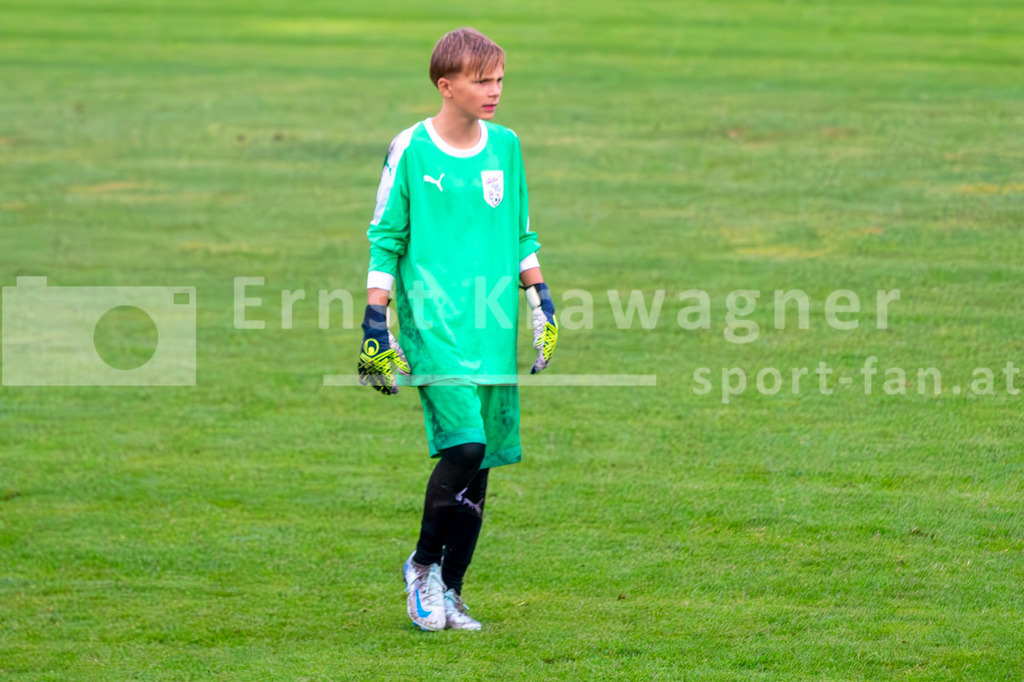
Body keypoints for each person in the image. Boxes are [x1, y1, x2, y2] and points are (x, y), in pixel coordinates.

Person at [357, 27, 558, 631]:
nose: (494, 91)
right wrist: (376, 319)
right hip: (432, 322)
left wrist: (539, 299)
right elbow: (385, 237)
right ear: (447, 86)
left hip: (492, 325)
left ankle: (451, 588)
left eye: (499, 80)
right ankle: (421, 568)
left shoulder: (508, 147)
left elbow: (521, 232)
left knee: (485, 459)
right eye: (482, 81)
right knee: (464, 445)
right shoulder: (411, 149)